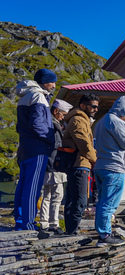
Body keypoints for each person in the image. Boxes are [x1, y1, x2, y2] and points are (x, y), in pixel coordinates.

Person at [93, 95, 125, 247]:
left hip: (101, 165)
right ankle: (105, 235)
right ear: (124, 110)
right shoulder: (117, 122)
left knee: (102, 201)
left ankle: (102, 232)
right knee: (110, 203)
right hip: (114, 168)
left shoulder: (102, 121)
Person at [14, 69, 57, 232]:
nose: (53, 85)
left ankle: (20, 221)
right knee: (33, 187)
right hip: (37, 148)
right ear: (44, 81)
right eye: (51, 81)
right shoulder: (38, 96)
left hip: (25, 147)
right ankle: (29, 224)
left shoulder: (24, 96)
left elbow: (21, 126)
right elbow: (37, 124)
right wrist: (49, 139)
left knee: (23, 186)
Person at [62, 94, 100, 235]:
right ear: (83, 106)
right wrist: (96, 160)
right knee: (80, 200)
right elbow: (84, 144)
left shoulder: (82, 120)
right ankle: (72, 231)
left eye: (97, 106)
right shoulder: (79, 120)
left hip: (78, 163)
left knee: (73, 199)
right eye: (93, 106)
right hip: (79, 164)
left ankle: (70, 230)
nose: (96, 109)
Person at [38, 99, 73, 236]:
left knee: (46, 195)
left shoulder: (46, 123)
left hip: (46, 165)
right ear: (56, 111)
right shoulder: (54, 125)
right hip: (55, 165)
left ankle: (44, 223)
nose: (63, 117)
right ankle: (54, 223)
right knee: (57, 195)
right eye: (63, 114)